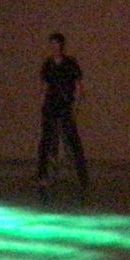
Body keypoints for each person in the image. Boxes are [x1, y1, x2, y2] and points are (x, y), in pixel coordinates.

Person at [36, 32, 89, 197]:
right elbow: (44, 87)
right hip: (50, 107)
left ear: (61, 46)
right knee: (46, 141)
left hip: (65, 107)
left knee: (73, 141)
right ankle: (42, 176)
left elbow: (79, 86)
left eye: (56, 44)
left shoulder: (70, 63)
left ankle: (82, 177)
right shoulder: (48, 64)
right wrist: (42, 104)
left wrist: (76, 106)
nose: (54, 48)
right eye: (51, 44)